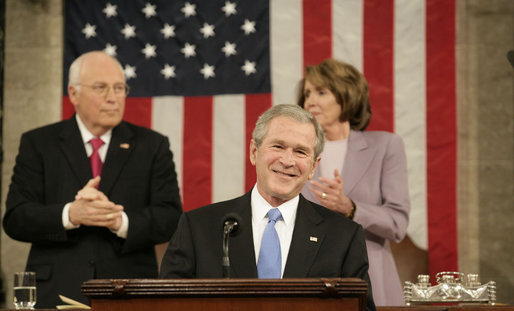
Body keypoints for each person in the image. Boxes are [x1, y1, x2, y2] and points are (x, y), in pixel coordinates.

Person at [3, 51, 182, 308]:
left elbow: (171, 218)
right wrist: (71, 214)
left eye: (120, 88)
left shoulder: (152, 145)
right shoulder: (39, 144)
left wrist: (120, 221)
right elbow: (16, 218)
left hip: (129, 291)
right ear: (73, 94)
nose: (113, 98)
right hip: (56, 290)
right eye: (101, 88)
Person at [160, 104, 376, 311]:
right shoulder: (198, 227)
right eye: (278, 146)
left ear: (313, 166)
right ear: (254, 151)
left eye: (301, 151)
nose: (288, 160)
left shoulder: (343, 236)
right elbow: (166, 305)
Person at [297, 58, 410, 306]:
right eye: (307, 94)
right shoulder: (297, 151)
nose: (310, 101)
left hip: (371, 280)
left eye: (321, 92)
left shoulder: (386, 146)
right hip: (310, 282)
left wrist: (350, 208)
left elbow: (397, 223)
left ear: (346, 95)